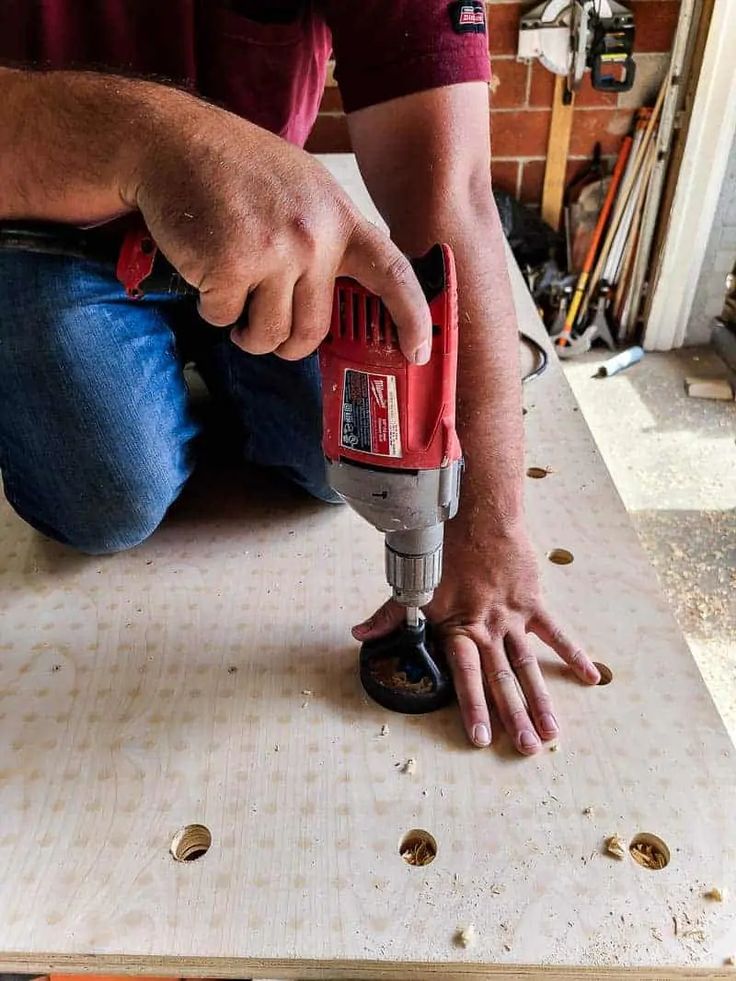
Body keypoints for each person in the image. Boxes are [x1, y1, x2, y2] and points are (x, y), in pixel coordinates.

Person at [0, 0, 600, 756]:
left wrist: (487, 524)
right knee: (102, 498)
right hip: (44, 223)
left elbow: (450, 187)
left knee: (341, 459)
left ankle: (188, 358)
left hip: (267, 232)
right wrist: (144, 137)